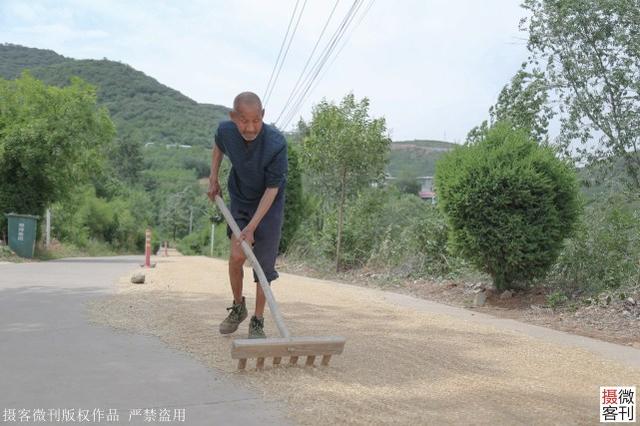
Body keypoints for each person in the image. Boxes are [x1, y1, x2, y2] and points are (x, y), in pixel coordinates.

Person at [207, 91, 287, 339]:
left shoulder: (276, 144)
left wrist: (252, 227)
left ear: (263, 116)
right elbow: (218, 148)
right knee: (235, 257)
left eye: (256, 121)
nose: (250, 127)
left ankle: (258, 321)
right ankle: (238, 307)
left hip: (268, 205)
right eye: (244, 120)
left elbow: (272, 189)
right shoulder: (226, 131)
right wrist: (213, 177)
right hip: (241, 199)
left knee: (263, 268)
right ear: (233, 117)